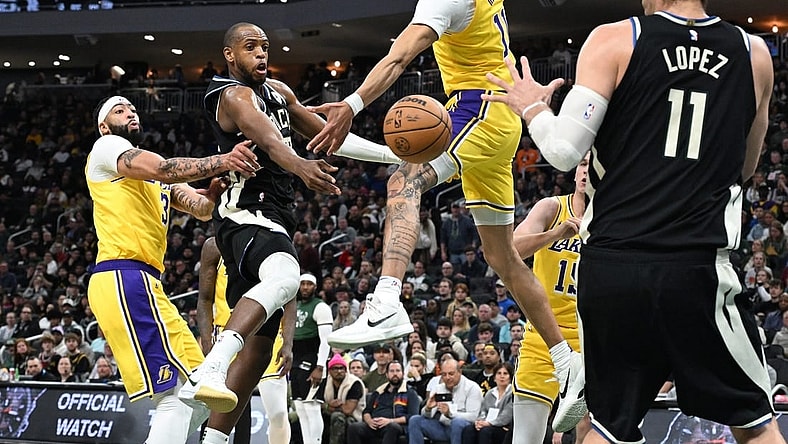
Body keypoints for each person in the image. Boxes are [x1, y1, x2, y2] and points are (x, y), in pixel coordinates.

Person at [482, 0, 782, 442]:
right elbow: (747, 165)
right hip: (697, 267)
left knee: (606, 427)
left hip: (615, 267)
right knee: (754, 423)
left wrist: (532, 107)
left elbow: (564, 151)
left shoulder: (615, 38)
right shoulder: (754, 53)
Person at [310, 6, 579, 410]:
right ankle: (567, 363)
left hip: (480, 109)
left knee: (405, 178)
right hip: (502, 115)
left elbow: (399, 57)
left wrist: (351, 104)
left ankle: (386, 299)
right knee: (502, 256)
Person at [178, 22, 401, 427]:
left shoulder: (280, 92)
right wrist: (301, 167)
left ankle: (213, 437)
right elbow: (266, 139)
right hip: (246, 214)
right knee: (287, 276)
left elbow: (326, 134)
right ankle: (211, 366)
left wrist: (394, 157)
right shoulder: (230, 94)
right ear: (230, 55)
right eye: (250, 48)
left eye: (265, 47)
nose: (261, 54)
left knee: (261, 352)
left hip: (271, 219)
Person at [86, 94, 259, 444]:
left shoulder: (150, 173)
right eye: (119, 110)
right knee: (173, 399)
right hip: (123, 276)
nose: (130, 112)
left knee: (199, 392)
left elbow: (199, 208)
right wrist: (223, 160)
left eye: (132, 108)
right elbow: (164, 168)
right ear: (104, 126)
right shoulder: (108, 148)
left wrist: (211, 193)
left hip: (146, 282)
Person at [510, 155, 590, 441]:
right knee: (525, 438)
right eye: (582, 164)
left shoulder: (618, 219)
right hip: (543, 338)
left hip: (592, 342)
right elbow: (513, 249)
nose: (585, 171)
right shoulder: (552, 207)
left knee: (591, 435)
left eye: (592, 165)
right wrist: (556, 234)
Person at [194, 236, 292, 444]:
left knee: (278, 413)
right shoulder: (213, 246)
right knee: (221, 406)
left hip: (266, 334)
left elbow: (290, 298)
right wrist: (207, 342)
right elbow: (204, 299)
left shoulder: (271, 238)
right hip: (224, 336)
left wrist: (289, 342)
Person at [291, 273, 333, 444]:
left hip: (313, 360)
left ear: (315, 287)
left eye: (309, 284)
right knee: (300, 407)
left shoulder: (320, 307)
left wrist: (320, 367)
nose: (305, 287)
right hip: (296, 360)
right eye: (303, 284)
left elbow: (326, 340)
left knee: (312, 407)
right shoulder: (296, 306)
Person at [408, 357, 482, 444]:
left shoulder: (472, 387)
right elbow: (427, 416)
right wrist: (428, 408)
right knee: (415, 420)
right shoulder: (439, 388)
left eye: (451, 374)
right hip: (442, 427)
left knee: (457, 422)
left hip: (464, 428)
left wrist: (450, 414)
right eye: (444, 374)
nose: (447, 378)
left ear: (460, 372)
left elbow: (473, 416)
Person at [347, 361, 420, 444]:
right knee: (353, 428)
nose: (395, 374)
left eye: (398, 371)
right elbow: (367, 411)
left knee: (392, 427)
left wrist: (390, 420)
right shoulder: (378, 392)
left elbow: (412, 416)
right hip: (374, 425)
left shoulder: (410, 393)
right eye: (392, 371)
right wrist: (369, 421)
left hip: (395, 425)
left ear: (403, 374)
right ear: (387, 374)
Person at [460, 362, 514, 444]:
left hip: (503, 427)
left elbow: (506, 416)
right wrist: (479, 422)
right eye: (499, 373)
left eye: (505, 374)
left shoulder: (512, 394)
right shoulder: (490, 393)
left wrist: (488, 423)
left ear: (510, 378)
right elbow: (483, 411)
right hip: (487, 424)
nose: (502, 376)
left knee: (485, 431)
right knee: (469, 429)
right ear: (494, 378)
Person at [320, 353, 366, 444]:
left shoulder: (354, 383)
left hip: (354, 418)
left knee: (337, 417)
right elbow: (317, 404)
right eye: (335, 368)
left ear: (346, 370)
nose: (339, 371)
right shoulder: (325, 382)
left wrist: (327, 406)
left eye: (342, 368)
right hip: (328, 414)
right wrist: (328, 405)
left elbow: (348, 410)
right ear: (329, 371)